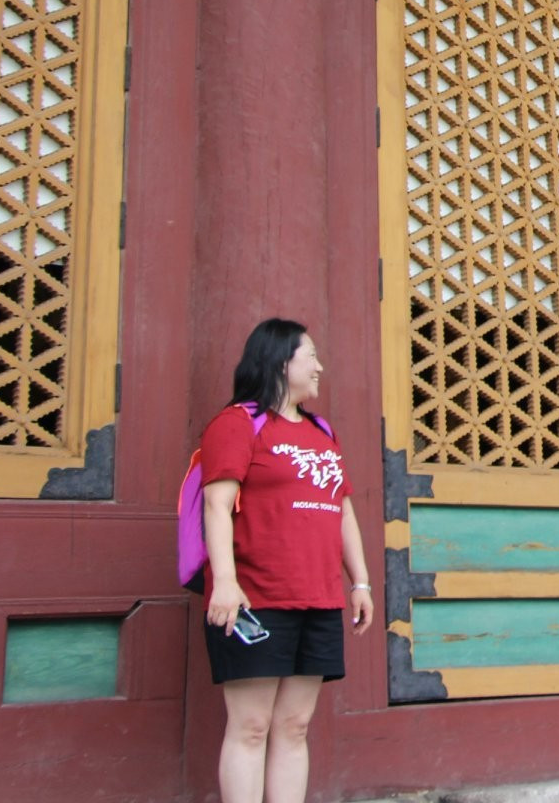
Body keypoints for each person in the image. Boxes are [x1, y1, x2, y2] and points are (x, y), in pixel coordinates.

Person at [201, 318, 374, 802]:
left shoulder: (322, 431)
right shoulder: (236, 424)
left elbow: (341, 508)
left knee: (295, 726)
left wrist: (359, 582)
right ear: (281, 361)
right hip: (256, 600)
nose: (320, 367)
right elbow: (216, 505)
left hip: (317, 599)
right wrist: (226, 583)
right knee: (251, 726)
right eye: (310, 356)